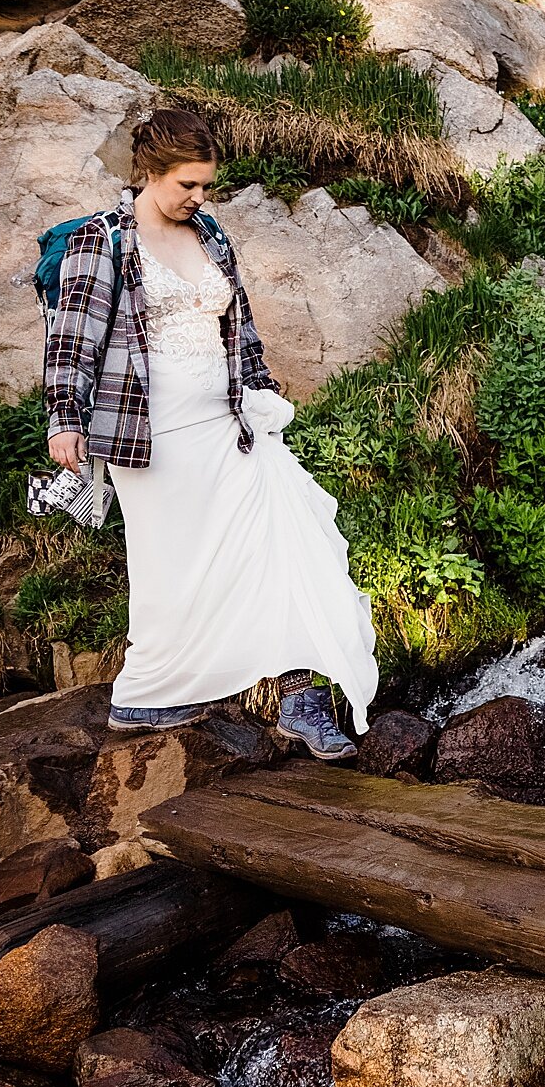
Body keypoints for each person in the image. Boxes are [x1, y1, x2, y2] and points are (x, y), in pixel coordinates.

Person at [44, 105, 377, 756]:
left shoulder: (212, 235)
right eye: (187, 185)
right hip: (148, 436)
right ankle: (150, 695)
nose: (199, 197)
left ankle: (300, 698)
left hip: (227, 423)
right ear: (149, 171)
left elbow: (240, 327)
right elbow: (72, 339)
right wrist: (65, 418)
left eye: (205, 185)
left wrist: (263, 394)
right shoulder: (103, 239)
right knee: (173, 569)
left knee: (284, 540)